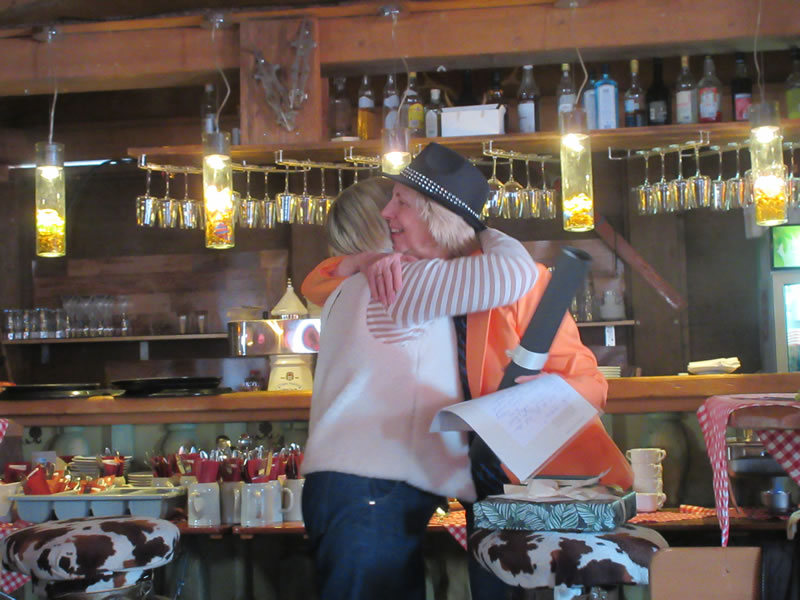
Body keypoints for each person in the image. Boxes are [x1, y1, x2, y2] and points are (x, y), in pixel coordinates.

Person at [304, 143, 634, 599]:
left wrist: (542, 396)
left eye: (401, 202)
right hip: (474, 487)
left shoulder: (521, 282)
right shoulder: (399, 279)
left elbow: (592, 383)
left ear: (436, 216)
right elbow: (319, 283)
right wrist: (359, 261)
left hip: (537, 484)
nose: (387, 214)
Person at [301, 171, 539, 600]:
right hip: (371, 488)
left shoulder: (351, 286)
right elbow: (513, 272)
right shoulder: (402, 281)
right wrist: (475, 226)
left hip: (353, 487)